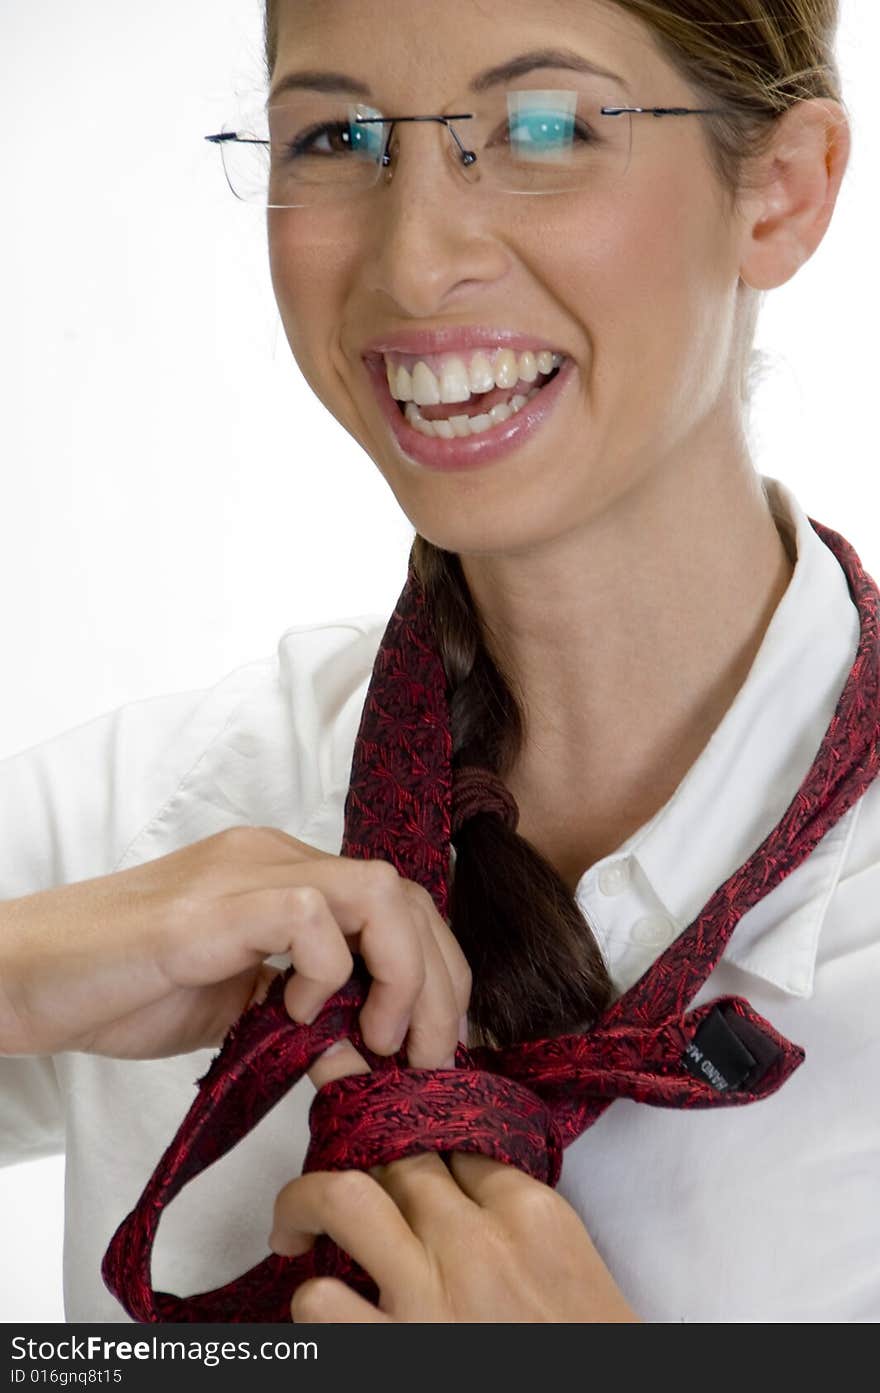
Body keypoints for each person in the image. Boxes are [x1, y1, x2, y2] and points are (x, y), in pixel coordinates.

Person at [1, 0, 877, 1323]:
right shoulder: (150, 831)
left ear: (781, 193)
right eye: (337, 135)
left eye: (541, 127)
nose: (413, 263)